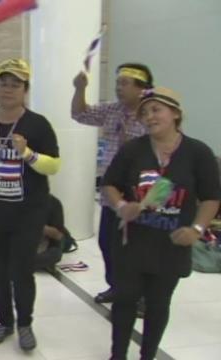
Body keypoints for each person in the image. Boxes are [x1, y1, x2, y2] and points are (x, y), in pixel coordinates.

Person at [102, 86, 220, 360]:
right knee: (124, 301)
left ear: (176, 113)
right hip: (131, 243)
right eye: (144, 112)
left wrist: (197, 229)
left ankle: (148, 355)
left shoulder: (198, 153)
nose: (149, 116)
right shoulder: (133, 150)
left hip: (171, 245)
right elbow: (109, 184)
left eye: (156, 110)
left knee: (158, 304)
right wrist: (121, 206)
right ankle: (117, 354)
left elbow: (212, 197)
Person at [0, 59, 60, 351]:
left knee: (21, 271)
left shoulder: (38, 124)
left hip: (28, 212)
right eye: (3, 83)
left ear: (25, 89)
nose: (7, 89)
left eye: (15, 84)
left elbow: (53, 166)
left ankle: (25, 324)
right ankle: (4, 321)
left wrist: (27, 154)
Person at [71, 63, 153, 304]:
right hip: (111, 191)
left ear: (143, 89)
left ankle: (141, 297)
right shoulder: (112, 110)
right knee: (108, 242)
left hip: (141, 195)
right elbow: (79, 114)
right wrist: (79, 89)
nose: (119, 87)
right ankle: (117, 286)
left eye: (125, 83)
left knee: (138, 249)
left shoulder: (152, 114)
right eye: (118, 82)